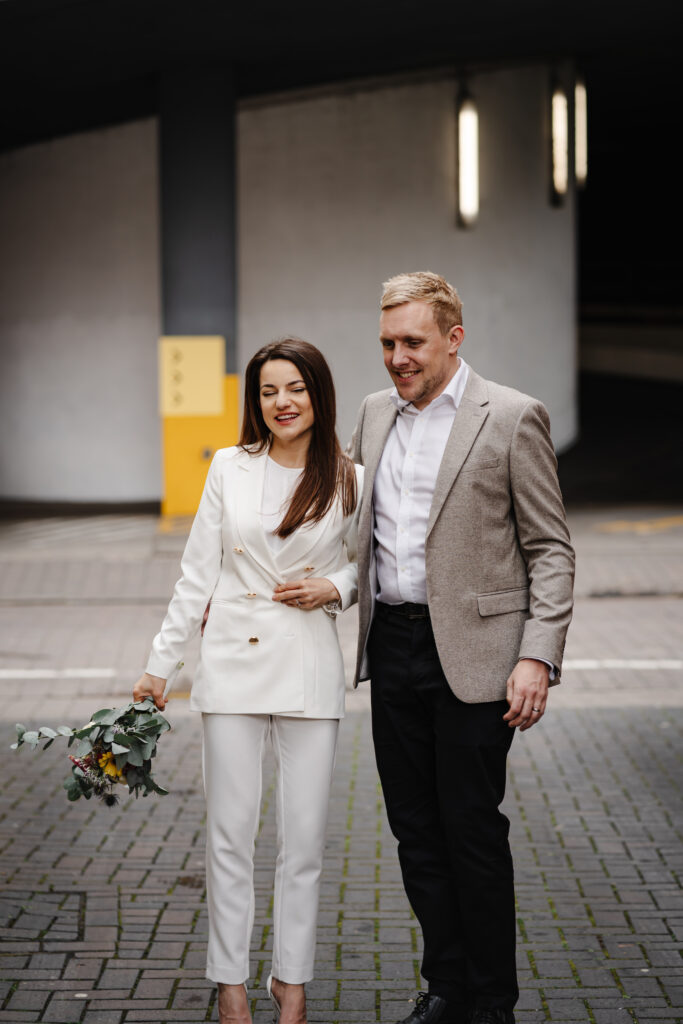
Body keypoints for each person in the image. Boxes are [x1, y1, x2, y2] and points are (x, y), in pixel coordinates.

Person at [348, 273, 575, 1024]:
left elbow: (549, 549)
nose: (396, 357)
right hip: (393, 649)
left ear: (453, 337)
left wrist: (535, 656)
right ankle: (444, 986)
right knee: (414, 830)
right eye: (387, 342)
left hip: (478, 660)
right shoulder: (372, 414)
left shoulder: (510, 416)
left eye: (411, 341)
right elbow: (345, 532)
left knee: (471, 829)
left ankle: (491, 1001)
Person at [133, 338, 363, 1024]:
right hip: (232, 663)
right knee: (230, 834)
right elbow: (196, 573)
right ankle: (230, 984)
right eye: (268, 392)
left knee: (305, 841)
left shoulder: (350, 475)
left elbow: (370, 564)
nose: (282, 403)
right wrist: (158, 666)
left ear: (317, 395)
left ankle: (290, 984)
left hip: (308, 666)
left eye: (294, 388)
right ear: (254, 401)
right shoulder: (229, 467)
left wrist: (334, 586)